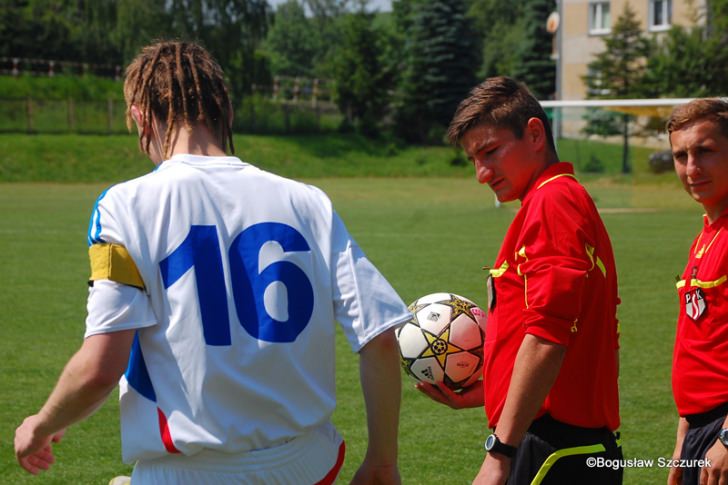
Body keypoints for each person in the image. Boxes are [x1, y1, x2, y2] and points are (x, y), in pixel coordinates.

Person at [14, 40, 410, 484]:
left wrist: (40, 424)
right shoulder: (308, 201)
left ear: (142, 116)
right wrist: (381, 463)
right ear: (225, 112)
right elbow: (379, 338)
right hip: (306, 464)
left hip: (189, 472)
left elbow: (100, 368)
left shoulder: (123, 206)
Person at [417, 76, 622, 484]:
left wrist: (501, 450)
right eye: (474, 159)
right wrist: (493, 391)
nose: (481, 173)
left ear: (534, 134)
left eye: (490, 152)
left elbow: (548, 334)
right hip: (569, 443)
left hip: (555, 450)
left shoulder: (552, 202)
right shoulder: (557, 199)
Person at [666, 98, 728, 485]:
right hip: (700, 431)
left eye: (705, 151)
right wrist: (683, 439)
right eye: (681, 155)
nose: (691, 168)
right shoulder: (707, 233)